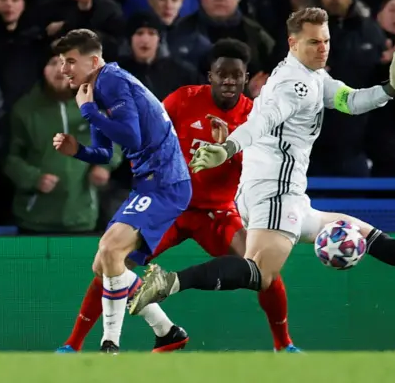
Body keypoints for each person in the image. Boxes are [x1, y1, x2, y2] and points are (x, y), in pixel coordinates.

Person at [128, 7, 395, 319]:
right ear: (293, 43)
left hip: (287, 194)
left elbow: (351, 101)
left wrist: (391, 89)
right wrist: (226, 149)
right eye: (314, 42)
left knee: (371, 237)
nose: (323, 47)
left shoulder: (312, 76)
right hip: (276, 194)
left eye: (326, 40)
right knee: (260, 273)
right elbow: (261, 121)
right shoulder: (296, 86)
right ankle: (170, 282)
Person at [57, 38, 300, 353]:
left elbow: (264, 169)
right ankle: (73, 344)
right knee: (112, 261)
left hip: (216, 212)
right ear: (208, 76)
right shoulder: (183, 100)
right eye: (221, 73)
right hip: (172, 205)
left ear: (245, 77)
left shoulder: (255, 119)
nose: (228, 80)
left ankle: (284, 345)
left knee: (263, 269)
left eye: (236, 75)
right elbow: (149, 132)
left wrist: (229, 150)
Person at [52, 29, 191, 354]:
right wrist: (78, 151)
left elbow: (130, 137)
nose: (64, 70)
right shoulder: (97, 88)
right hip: (150, 183)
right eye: (62, 62)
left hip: (165, 182)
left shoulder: (111, 82)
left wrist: (88, 112)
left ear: (94, 60)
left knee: (110, 251)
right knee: (104, 264)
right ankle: (167, 331)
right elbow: (105, 152)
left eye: (70, 61)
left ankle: (109, 343)